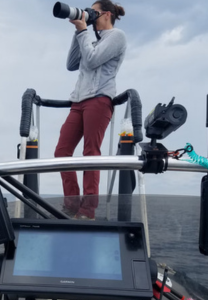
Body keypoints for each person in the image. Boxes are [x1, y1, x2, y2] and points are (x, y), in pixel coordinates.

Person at [54, 0, 126, 220]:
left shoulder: (117, 36)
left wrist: (84, 30)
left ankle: (88, 210)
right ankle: (72, 205)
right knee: (61, 153)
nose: (88, 14)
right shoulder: (89, 36)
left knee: (90, 154)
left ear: (105, 14)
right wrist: (79, 30)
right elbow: (71, 63)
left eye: (92, 12)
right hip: (79, 101)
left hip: (99, 100)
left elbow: (93, 60)